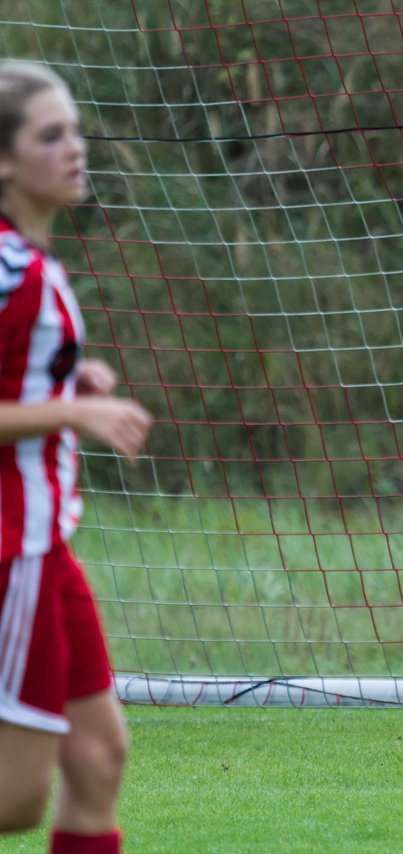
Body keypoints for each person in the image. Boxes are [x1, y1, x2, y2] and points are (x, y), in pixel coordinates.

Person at [0, 61, 153, 852]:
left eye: (76, 132)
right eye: (50, 135)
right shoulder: (8, 269)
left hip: (46, 548)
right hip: (10, 549)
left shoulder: (33, 263)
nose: (74, 149)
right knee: (18, 801)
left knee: (97, 758)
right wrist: (76, 407)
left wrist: (68, 376)